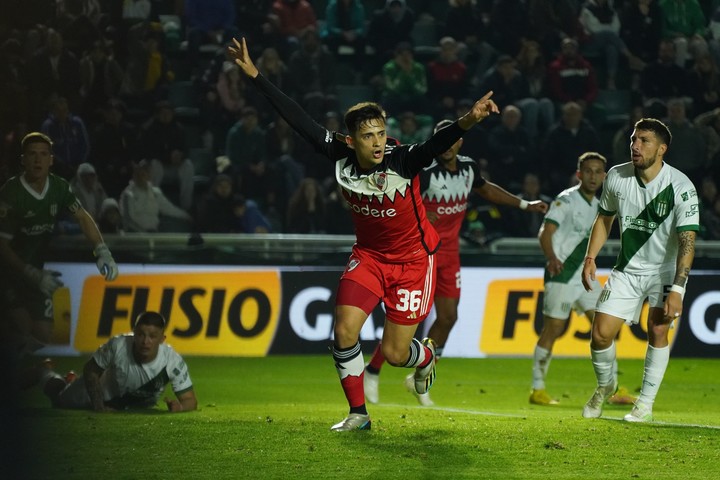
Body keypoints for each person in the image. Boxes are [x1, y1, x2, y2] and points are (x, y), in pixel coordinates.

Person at [229, 37, 499, 431]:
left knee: (393, 353)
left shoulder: (402, 160)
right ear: (352, 139)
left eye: (381, 132)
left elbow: (435, 144)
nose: (377, 142)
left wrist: (469, 120)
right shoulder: (338, 153)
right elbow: (298, 118)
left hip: (412, 261)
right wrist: (255, 76)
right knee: (343, 330)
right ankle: (358, 414)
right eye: (368, 135)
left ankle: (424, 358)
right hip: (370, 257)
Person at [364, 118, 548, 406]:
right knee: (409, 322)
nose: (447, 146)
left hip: (450, 255)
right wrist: (422, 213)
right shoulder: (423, 171)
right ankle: (372, 371)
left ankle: (419, 378)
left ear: (459, 142)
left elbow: (486, 189)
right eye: (442, 140)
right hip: (421, 254)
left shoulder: (468, 168)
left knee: (448, 318)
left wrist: (526, 204)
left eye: (452, 140)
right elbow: (398, 201)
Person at [581, 118, 699, 422]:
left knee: (658, 329)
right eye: (634, 139)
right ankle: (606, 386)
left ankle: (644, 404)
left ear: (662, 149)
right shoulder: (617, 177)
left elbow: (687, 242)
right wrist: (590, 257)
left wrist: (678, 289)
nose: (634, 145)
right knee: (600, 334)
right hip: (627, 270)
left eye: (643, 140)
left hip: (663, 271)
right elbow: (605, 219)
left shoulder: (681, 187)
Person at [530, 151, 634, 406]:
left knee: (604, 328)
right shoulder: (566, 200)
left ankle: (613, 387)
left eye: (599, 171)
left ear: (605, 176)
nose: (593, 176)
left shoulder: (601, 206)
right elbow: (545, 232)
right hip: (562, 274)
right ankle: (537, 388)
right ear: (579, 174)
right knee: (553, 329)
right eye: (588, 171)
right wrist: (552, 257)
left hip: (585, 278)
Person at [0, 132, 118, 353]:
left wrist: (102, 251)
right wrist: (31, 274)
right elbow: (1, 246)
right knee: (22, 331)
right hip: (8, 274)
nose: (38, 160)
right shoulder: (11, 193)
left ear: (51, 160)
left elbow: (82, 217)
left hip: (36, 273)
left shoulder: (59, 188)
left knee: (43, 336)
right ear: (23, 160)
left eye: (43, 154)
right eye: (32, 154)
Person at [37, 311, 197, 412]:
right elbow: (91, 370)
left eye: (152, 336)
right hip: (91, 396)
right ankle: (45, 372)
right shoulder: (118, 345)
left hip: (126, 406)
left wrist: (181, 407)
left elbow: (190, 400)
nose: (145, 341)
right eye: (141, 334)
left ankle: (69, 379)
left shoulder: (172, 361)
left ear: (162, 339)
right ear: (134, 333)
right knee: (59, 398)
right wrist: (99, 406)